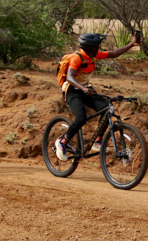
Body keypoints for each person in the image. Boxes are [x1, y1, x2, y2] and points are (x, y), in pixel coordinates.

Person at [55, 31, 141, 161]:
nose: (99, 48)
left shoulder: (93, 56)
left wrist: (132, 44)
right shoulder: (77, 58)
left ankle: (98, 141)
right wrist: (84, 88)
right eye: (97, 46)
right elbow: (70, 77)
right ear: (90, 47)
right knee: (81, 118)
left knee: (106, 108)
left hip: (85, 89)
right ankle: (63, 141)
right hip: (72, 90)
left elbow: (113, 54)